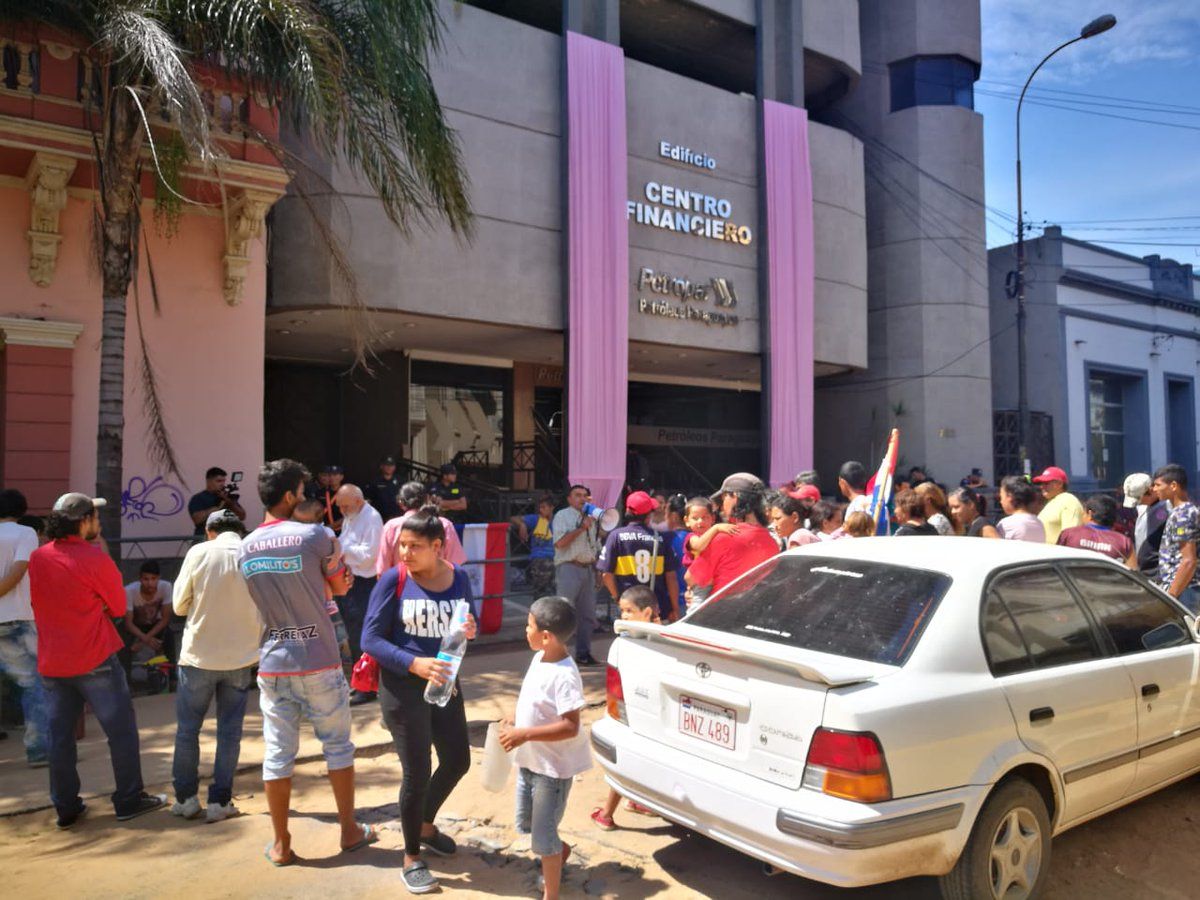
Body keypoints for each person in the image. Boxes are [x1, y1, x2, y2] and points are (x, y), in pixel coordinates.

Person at [239, 460, 372, 867]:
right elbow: (338, 585)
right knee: (337, 746)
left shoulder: (244, 546)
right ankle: (349, 831)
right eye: (301, 489)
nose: (306, 495)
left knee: (278, 754)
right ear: (289, 496)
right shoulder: (315, 535)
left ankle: (281, 843)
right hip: (318, 657)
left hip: (273, 660)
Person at [29, 492, 165, 827]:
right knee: (120, 733)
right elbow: (118, 608)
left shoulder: (38, 557)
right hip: (94, 659)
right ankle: (129, 799)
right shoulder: (95, 560)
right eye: (95, 515)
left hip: (53, 661)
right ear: (84, 522)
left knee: (60, 739)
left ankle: (65, 807)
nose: (99, 521)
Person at [361, 507, 478, 895]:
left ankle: (426, 824)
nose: (405, 553)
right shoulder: (393, 580)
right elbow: (371, 640)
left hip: (445, 681)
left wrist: (469, 629)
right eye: (401, 545)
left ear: (438, 546)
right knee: (417, 770)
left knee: (458, 759)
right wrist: (414, 663)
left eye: (414, 547)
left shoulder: (458, 577)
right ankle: (411, 856)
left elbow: (465, 620)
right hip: (402, 687)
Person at [170, 508, 260, 823]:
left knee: (187, 731)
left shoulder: (199, 552)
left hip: (198, 657)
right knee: (229, 733)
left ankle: (186, 799)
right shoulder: (253, 553)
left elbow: (179, 606)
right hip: (240, 660)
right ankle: (220, 802)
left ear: (210, 531)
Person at [498, 596, 592, 900]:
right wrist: (515, 715)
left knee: (542, 838)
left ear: (547, 637)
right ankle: (558, 851)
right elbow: (530, 696)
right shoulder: (539, 657)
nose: (526, 630)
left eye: (529, 625)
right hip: (530, 762)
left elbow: (570, 726)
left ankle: (551, 893)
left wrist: (524, 734)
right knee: (525, 824)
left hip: (552, 771)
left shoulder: (565, 676)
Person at [592, 585, 658, 831]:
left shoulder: (650, 638)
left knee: (631, 761)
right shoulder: (631, 638)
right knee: (627, 763)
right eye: (622, 611)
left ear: (647, 612)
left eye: (629, 611)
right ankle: (609, 812)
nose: (624, 616)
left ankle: (621, 806)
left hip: (639, 707)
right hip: (629, 708)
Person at [0, 489, 47, 767]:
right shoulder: (25, 534)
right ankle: (38, 749)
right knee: (34, 687)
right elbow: (18, 572)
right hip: (17, 619)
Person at [687, 475, 779, 597]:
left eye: (724, 498)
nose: (722, 505)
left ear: (735, 497)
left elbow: (691, 578)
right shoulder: (772, 543)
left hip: (720, 612)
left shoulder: (725, 537)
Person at [597, 491, 681, 623]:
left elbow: (606, 575)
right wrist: (675, 608)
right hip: (656, 608)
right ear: (648, 516)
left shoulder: (616, 536)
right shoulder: (660, 538)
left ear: (627, 511)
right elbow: (671, 577)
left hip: (629, 608)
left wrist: (618, 598)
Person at [334, 484, 384, 706]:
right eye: (340, 506)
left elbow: (369, 555)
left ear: (358, 501)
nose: (342, 510)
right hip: (350, 579)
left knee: (361, 635)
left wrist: (341, 548)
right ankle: (359, 683)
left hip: (364, 582)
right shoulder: (351, 515)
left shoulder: (371, 518)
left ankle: (366, 687)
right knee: (352, 635)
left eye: (345, 505)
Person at [551, 485, 602, 666]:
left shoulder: (592, 519)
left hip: (587, 568)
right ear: (569, 499)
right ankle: (557, 654)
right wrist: (581, 528)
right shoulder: (562, 516)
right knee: (563, 613)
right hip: (569, 568)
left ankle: (583, 653)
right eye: (577, 495)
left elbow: (595, 546)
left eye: (585, 496)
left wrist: (598, 571)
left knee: (587, 615)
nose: (582, 499)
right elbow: (560, 543)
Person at [377, 481, 467, 574]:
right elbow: (455, 565)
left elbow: (382, 570)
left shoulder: (392, 526)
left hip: (403, 585)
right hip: (438, 585)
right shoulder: (445, 524)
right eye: (404, 545)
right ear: (427, 498)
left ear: (401, 503)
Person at [1152, 464, 1200, 613]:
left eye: (1158, 485)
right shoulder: (1179, 512)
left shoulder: (1183, 515)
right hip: (1182, 588)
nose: (1154, 489)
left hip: (1185, 591)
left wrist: (1170, 596)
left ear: (1173, 486)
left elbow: (1188, 561)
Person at [121, 560, 173, 675]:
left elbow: (165, 619)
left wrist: (144, 640)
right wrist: (145, 638)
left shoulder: (166, 587)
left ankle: (172, 678)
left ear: (159, 578)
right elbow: (128, 623)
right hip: (136, 625)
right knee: (123, 640)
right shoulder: (129, 591)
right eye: (146, 579)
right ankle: (126, 680)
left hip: (155, 624)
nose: (150, 583)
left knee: (169, 636)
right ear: (140, 579)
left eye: (153, 579)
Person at [1057, 494, 1136, 566]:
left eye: (1083, 513)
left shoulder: (1069, 534)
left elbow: (1054, 562)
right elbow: (1133, 572)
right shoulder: (1124, 542)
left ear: (1090, 514)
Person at [1125, 472, 1170, 578]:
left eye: (1140, 498)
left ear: (1150, 491)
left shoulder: (1166, 509)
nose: (1138, 502)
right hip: (1145, 572)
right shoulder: (1144, 508)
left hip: (1158, 573)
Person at [511, 495, 558, 597]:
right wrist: (522, 525)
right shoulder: (536, 519)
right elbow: (514, 518)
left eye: (545, 507)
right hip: (540, 560)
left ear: (551, 508)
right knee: (540, 593)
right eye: (540, 507)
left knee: (555, 593)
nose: (542, 510)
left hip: (557, 559)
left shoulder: (559, 520)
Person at [187, 467, 247, 536]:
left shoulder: (226, 497)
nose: (222, 484)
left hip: (226, 539)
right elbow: (197, 520)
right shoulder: (198, 498)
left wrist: (229, 502)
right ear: (209, 481)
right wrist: (217, 508)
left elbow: (242, 516)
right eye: (218, 481)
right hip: (205, 539)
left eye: (223, 481)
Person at [1033, 466, 1083, 545]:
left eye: (1046, 483)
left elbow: (1070, 537)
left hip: (1059, 555)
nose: (1042, 486)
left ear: (1060, 484)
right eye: (1041, 483)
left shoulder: (1068, 500)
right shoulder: (1051, 502)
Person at [996, 477, 1046, 543]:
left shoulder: (1006, 524)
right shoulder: (1039, 523)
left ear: (1010, 497)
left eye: (1001, 497)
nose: (1001, 501)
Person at [307, 464, 346, 534]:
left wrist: (330, 527)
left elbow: (349, 516)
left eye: (335, 475)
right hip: (324, 531)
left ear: (341, 477)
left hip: (342, 530)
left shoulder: (347, 492)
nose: (332, 477)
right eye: (330, 475)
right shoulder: (320, 493)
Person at [365, 455, 403, 522]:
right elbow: (369, 500)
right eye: (387, 465)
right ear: (381, 466)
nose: (389, 467)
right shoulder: (374, 482)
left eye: (391, 465)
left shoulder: (400, 481)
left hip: (396, 517)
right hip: (379, 517)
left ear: (394, 467)